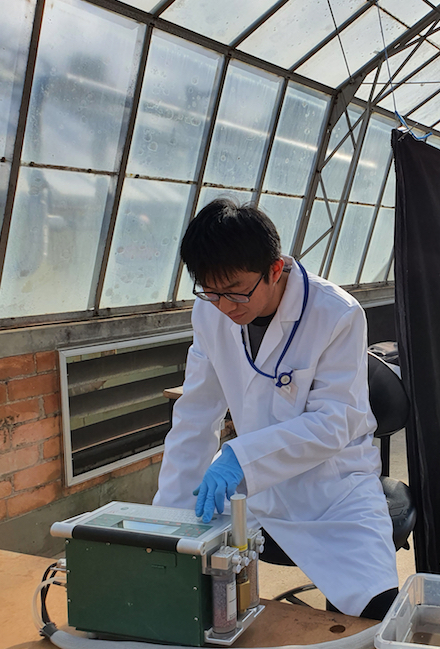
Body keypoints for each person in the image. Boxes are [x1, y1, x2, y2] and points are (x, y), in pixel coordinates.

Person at [153, 198, 399, 619]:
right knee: (192, 595)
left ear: (274, 269)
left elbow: (334, 422)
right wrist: (164, 522)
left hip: (331, 490)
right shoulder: (210, 313)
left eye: (235, 291)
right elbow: (195, 414)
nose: (226, 307)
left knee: (372, 611)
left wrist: (241, 457)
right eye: (211, 292)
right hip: (252, 490)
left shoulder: (336, 314)